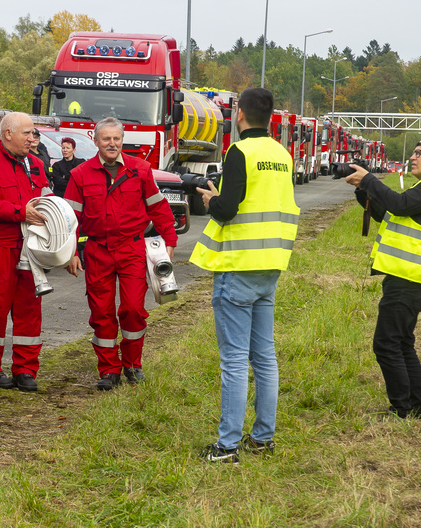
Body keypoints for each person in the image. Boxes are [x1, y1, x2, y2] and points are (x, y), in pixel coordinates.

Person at [188, 87, 299, 463]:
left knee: (234, 360)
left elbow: (227, 210)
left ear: (239, 115)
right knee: (264, 356)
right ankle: (263, 437)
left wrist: (210, 199)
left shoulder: (240, 152)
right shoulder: (282, 154)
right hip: (271, 265)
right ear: (270, 118)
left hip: (239, 266)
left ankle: (227, 446)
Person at [345, 137, 421, 420]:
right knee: (401, 342)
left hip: (410, 277)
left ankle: (402, 409)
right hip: (412, 276)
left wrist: (370, 180)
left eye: (419, 153)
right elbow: (392, 216)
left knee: (386, 343)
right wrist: (363, 191)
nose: (413, 157)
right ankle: (417, 406)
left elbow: (397, 203)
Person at [64, 117, 178, 390]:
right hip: (97, 250)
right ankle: (108, 370)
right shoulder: (80, 174)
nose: (112, 143)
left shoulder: (140, 170)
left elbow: (158, 207)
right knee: (101, 312)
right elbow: (70, 219)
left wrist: (170, 240)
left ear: (122, 140)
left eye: (116, 138)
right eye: (106, 139)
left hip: (131, 249)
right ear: (96, 141)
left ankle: (132, 365)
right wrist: (71, 252)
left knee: (133, 309)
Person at [0, 112, 53, 392]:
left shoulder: (36, 164)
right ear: (7, 134)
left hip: (31, 248)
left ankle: (26, 370)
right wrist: (21, 213)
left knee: (30, 309)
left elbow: (46, 199)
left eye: (33, 134)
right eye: (27, 133)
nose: (33, 139)